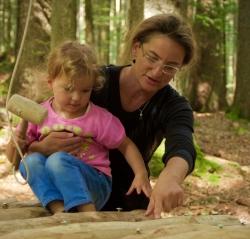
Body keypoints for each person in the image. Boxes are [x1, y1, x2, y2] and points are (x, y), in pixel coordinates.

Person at [30, 13, 196, 219]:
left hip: (130, 207)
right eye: (152, 58)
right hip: (67, 201)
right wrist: (39, 147)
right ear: (136, 48)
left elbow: (183, 146)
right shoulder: (92, 82)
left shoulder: (174, 106)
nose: (157, 71)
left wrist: (171, 177)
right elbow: (25, 145)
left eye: (170, 67)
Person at [5, 41, 151, 215]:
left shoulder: (97, 118)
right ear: (50, 82)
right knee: (29, 162)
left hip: (94, 184)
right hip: (58, 187)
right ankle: (59, 210)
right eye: (68, 89)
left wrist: (141, 173)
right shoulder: (38, 114)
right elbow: (14, 158)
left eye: (85, 90)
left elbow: (125, 144)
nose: (76, 97)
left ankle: (87, 213)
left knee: (57, 160)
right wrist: (20, 136)